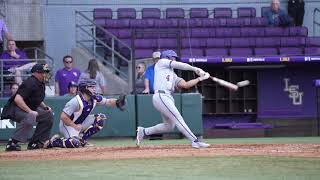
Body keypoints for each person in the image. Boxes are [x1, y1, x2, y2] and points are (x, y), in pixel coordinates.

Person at [136, 50, 211, 149]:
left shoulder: (172, 74)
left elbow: (185, 85)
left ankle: (144, 131)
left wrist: (201, 78)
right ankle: (194, 140)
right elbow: (179, 65)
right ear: (167, 57)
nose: (174, 59)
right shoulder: (161, 62)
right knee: (178, 119)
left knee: (169, 126)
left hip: (167, 98)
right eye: (173, 57)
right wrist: (195, 69)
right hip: (161, 96)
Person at [44, 80, 126, 148]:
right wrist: (74, 126)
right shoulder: (75, 102)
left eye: (94, 87)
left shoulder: (94, 98)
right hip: (68, 125)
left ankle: (83, 140)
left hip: (80, 122)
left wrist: (118, 102)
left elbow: (107, 102)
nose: (94, 89)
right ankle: (54, 142)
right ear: (85, 89)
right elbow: (63, 117)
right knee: (74, 143)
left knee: (100, 118)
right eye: (91, 87)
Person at [4, 63, 54, 151]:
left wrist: (45, 107)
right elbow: (18, 99)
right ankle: (12, 143)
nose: (45, 74)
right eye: (44, 72)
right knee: (31, 115)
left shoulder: (40, 83)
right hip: (16, 109)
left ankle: (35, 142)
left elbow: (36, 98)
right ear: (36, 73)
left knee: (48, 114)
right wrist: (30, 111)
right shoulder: (30, 82)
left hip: (27, 108)